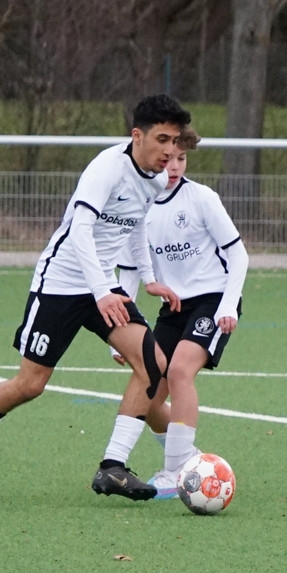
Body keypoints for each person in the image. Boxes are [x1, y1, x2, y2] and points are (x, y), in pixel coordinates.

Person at [0, 93, 190, 498]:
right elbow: (80, 230)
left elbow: (137, 224)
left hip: (103, 288)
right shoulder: (107, 168)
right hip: (61, 284)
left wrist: (148, 278)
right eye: (162, 140)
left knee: (153, 364)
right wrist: (102, 291)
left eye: (174, 142)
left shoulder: (156, 180)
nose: (170, 152)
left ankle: (113, 467)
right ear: (137, 136)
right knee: (31, 384)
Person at [110, 127, 248, 498]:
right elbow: (130, 273)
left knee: (180, 369)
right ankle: (187, 457)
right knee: (150, 393)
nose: (174, 167)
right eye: (168, 159)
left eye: (181, 159)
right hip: (172, 307)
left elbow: (238, 254)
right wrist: (119, 331)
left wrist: (228, 305)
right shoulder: (137, 207)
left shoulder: (202, 198)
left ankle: (174, 470)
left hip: (213, 300)